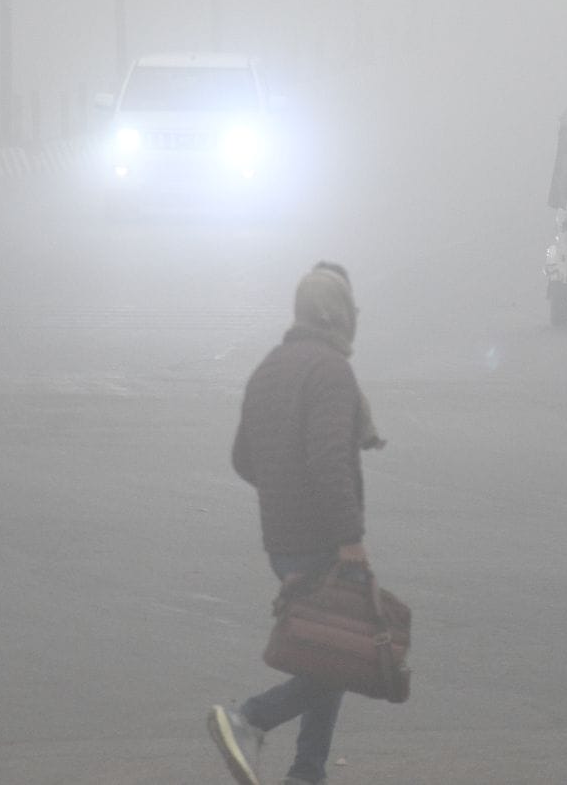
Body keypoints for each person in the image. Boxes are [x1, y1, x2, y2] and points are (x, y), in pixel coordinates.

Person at [209, 261, 384, 785]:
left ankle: (308, 772)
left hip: (281, 540)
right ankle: (249, 719)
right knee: (343, 657)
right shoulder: (329, 370)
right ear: (337, 315)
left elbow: (244, 458)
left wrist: (282, 492)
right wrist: (349, 538)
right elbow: (328, 459)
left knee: (325, 650)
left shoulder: (271, 366)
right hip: (320, 538)